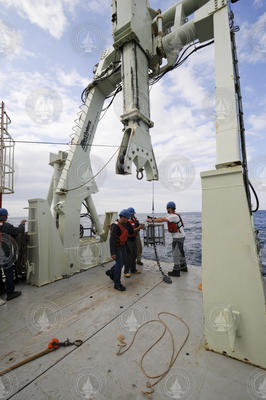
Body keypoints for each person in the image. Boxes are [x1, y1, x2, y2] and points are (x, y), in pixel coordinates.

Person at [147, 201, 187, 277]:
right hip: (181, 236)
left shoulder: (173, 216)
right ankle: (184, 267)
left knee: (176, 253)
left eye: (167, 208)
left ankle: (176, 271)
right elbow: (163, 218)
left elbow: (163, 219)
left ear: (169, 208)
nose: (167, 209)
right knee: (181, 252)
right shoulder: (172, 215)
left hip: (178, 237)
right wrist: (153, 218)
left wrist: (151, 220)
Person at [0, 208, 26, 305]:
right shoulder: (7, 226)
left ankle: (2, 290)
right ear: (5, 216)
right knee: (9, 272)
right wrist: (22, 224)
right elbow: (17, 231)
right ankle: (10, 293)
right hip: (5, 254)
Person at [106, 209, 131, 291]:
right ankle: (117, 284)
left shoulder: (125, 224)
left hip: (122, 246)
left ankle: (110, 271)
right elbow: (112, 240)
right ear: (122, 217)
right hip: (116, 248)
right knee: (119, 264)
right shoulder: (115, 226)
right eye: (127, 218)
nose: (127, 220)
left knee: (122, 262)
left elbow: (128, 232)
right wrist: (113, 253)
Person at [124, 208, 144, 278]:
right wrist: (139, 227)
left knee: (134, 254)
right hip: (128, 240)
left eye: (133, 214)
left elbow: (137, 225)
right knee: (129, 256)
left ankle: (133, 269)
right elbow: (131, 231)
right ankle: (126, 271)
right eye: (132, 214)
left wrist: (141, 226)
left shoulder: (134, 219)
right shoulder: (127, 222)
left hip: (133, 239)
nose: (133, 215)